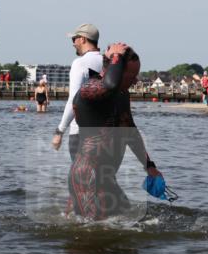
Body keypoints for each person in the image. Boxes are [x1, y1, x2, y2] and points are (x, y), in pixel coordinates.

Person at [68, 43, 162, 220]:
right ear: (115, 69)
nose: (135, 81)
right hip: (88, 176)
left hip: (107, 178)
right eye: (132, 75)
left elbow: (130, 132)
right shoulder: (90, 90)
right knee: (90, 237)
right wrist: (116, 57)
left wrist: (149, 166)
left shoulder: (121, 94)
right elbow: (109, 84)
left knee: (128, 219)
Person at [52, 23, 103, 160]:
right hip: (106, 133)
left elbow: (73, 101)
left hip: (81, 133)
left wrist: (59, 131)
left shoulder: (80, 63)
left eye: (74, 39)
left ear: (83, 39)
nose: (73, 43)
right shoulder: (107, 63)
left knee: (80, 179)